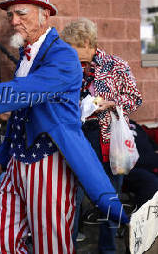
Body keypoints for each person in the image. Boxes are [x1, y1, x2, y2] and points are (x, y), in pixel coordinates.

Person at [0, 0, 130, 254]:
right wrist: (0, 156)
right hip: (17, 164)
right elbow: (21, 116)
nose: (13, 21)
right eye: (10, 15)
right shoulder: (26, 57)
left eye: (22, 13)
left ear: (45, 14)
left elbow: (26, 91)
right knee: (3, 240)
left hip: (49, 163)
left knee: (50, 244)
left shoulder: (63, 56)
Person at [61, 18, 142, 253]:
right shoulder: (69, 67)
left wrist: (110, 103)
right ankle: (68, 247)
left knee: (109, 196)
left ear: (87, 42)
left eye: (72, 47)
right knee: (71, 196)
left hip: (107, 139)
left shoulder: (116, 65)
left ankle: (107, 249)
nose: (68, 52)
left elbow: (135, 98)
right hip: (76, 137)